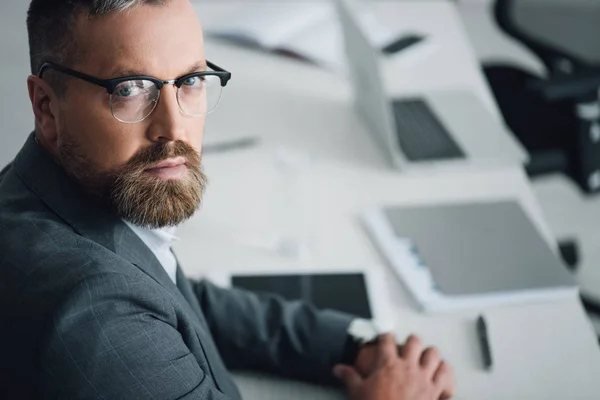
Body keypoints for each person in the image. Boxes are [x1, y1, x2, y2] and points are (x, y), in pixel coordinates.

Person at [0, 0, 455, 399]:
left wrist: (353, 347)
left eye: (191, 79)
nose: (173, 129)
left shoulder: (53, 186)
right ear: (46, 106)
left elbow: (180, 297)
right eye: (131, 89)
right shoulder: (94, 316)